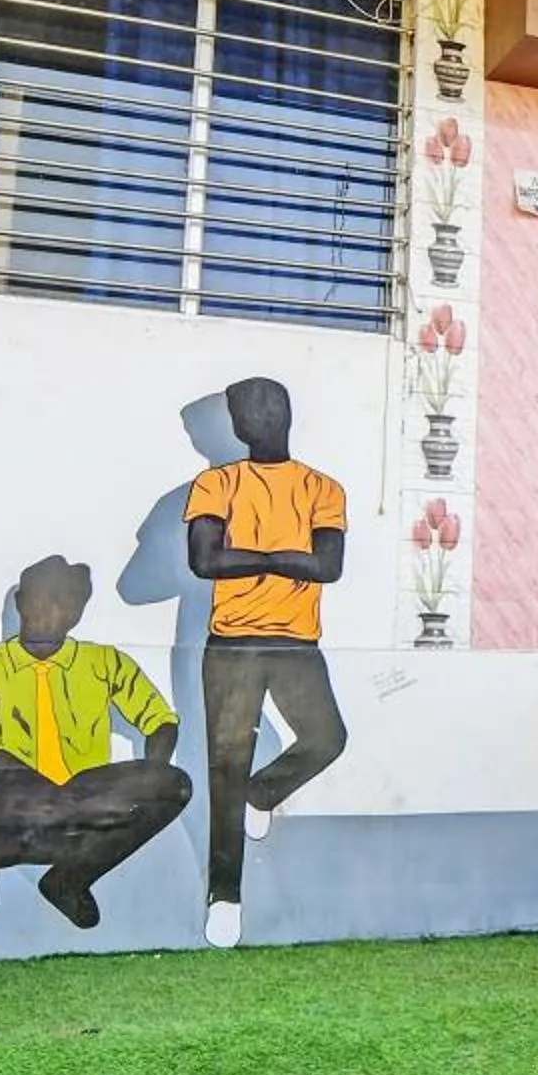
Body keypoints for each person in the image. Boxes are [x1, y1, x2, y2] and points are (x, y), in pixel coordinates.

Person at [0, 557, 192, 948]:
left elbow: (160, 719)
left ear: (78, 612)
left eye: (67, 602)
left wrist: (145, 780)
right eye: (43, 598)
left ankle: (69, 880)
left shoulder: (103, 661)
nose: (54, 611)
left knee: (173, 784)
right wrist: (70, 806)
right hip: (11, 814)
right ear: (22, 602)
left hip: (82, 810)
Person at [184, 377, 351, 949]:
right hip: (231, 643)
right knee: (224, 771)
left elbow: (328, 567)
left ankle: (263, 793)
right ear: (236, 426)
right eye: (245, 411)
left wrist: (250, 559)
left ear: (285, 415)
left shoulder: (322, 488)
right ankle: (224, 896)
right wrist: (287, 558)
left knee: (327, 738)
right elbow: (206, 560)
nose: (257, 418)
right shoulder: (215, 483)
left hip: (296, 643)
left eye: (266, 407)